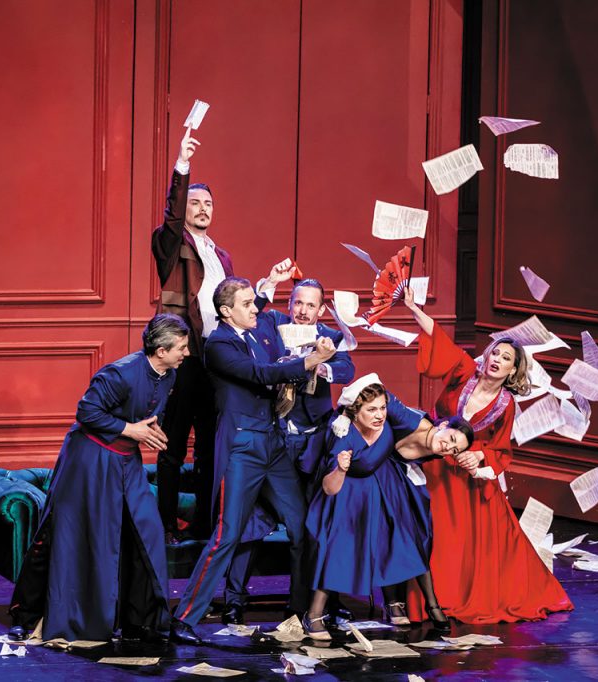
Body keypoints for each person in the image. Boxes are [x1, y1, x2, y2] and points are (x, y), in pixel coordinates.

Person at [170, 277, 338, 644]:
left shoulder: (257, 335)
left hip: (273, 444)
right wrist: (310, 361)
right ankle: (184, 619)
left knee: (303, 526)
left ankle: (300, 611)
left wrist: (312, 356)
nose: (255, 309)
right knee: (227, 535)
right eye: (247, 304)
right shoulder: (219, 344)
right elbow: (260, 373)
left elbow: (275, 361)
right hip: (242, 447)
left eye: (253, 302)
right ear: (226, 311)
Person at [8, 314, 191, 644]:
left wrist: (150, 429)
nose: (187, 353)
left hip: (126, 462)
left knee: (146, 530)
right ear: (161, 350)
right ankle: (28, 614)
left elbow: (147, 410)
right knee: (68, 536)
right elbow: (87, 411)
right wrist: (130, 429)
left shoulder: (169, 374)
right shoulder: (119, 373)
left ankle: (143, 620)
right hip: (89, 462)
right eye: (182, 347)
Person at [401, 290, 574, 624]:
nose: (497, 359)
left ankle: (451, 598)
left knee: (464, 545)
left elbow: (501, 451)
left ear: (512, 370)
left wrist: (478, 455)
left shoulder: (505, 406)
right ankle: (420, 598)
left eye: (506, 358)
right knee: (431, 536)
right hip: (435, 466)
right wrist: (412, 308)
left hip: (467, 481)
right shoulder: (464, 373)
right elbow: (440, 340)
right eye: (495, 352)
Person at [219, 262, 356, 625]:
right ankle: (233, 600)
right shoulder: (272, 324)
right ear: (290, 302)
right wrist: (269, 283)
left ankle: (310, 603)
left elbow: (347, 370)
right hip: (274, 439)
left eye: (311, 305)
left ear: (321, 309)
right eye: (298, 302)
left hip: (312, 444)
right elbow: (248, 310)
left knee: (312, 525)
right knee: (251, 521)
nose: (303, 310)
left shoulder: (331, 336)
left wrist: (319, 365)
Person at [302, 374, 475, 640]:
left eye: (454, 449)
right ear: (441, 425)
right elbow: (369, 394)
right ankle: (314, 613)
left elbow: (379, 412)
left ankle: (405, 602)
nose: (448, 447)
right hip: (352, 481)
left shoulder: (434, 444)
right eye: (450, 438)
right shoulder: (387, 421)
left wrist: (475, 456)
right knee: (342, 539)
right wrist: (344, 415)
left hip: (385, 474)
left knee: (404, 532)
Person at [151, 127, 231, 542]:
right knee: (172, 445)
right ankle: (165, 525)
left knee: (209, 449)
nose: (202, 209)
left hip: (216, 361)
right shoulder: (172, 245)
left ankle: (203, 523)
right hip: (183, 359)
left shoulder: (222, 256)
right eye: (195, 202)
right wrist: (182, 166)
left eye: (208, 204)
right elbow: (172, 216)